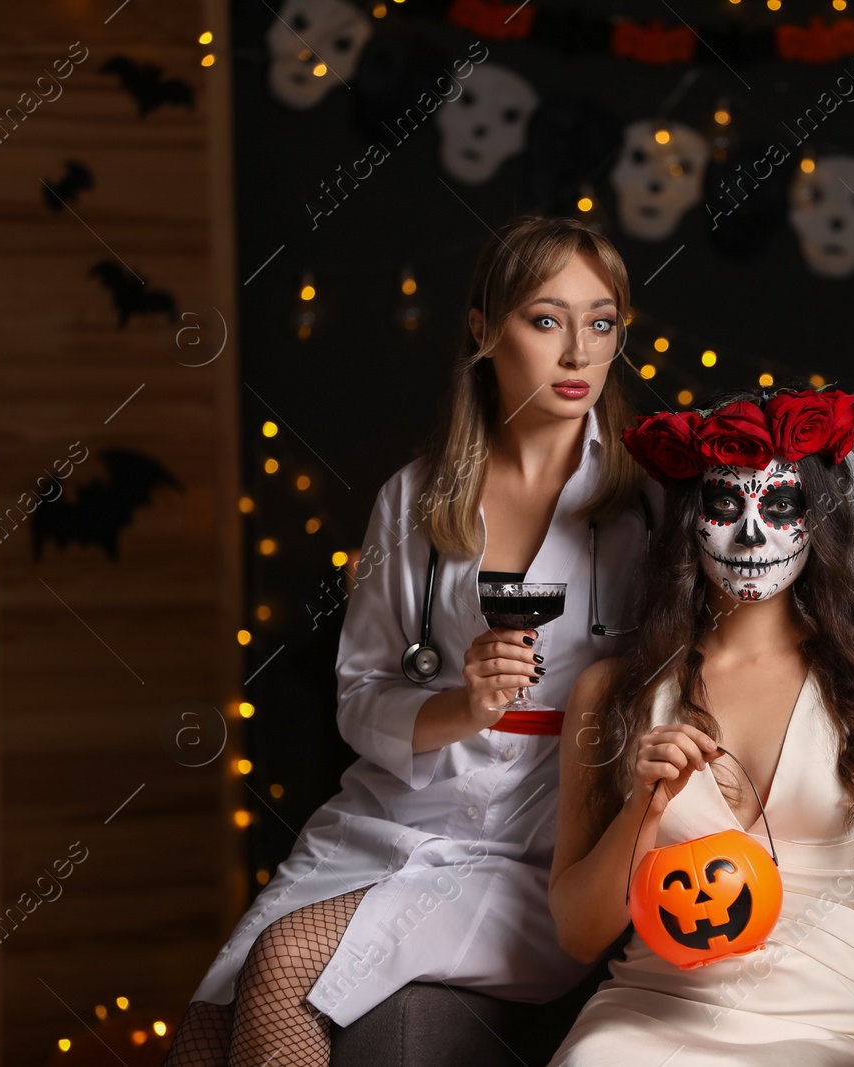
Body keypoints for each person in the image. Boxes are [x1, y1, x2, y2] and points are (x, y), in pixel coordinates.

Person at [163, 216, 656, 1067]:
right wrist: (463, 705)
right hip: (383, 822)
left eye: (601, 321)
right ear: (482, 328)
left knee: (285, 961)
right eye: (546, 320)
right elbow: (360, 699)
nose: (579, 352)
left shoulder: (649, 503)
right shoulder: (414, 500)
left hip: (535, 855)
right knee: (204, 1033)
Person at [544, 385, 854, 1066]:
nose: (752, 533)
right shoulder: (609, 692)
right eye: (725, 504)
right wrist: (643, 808)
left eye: (780, 506)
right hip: (647, 1016)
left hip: (823, 1023)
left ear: (819, 519)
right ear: (691, 519)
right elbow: (576, 934)